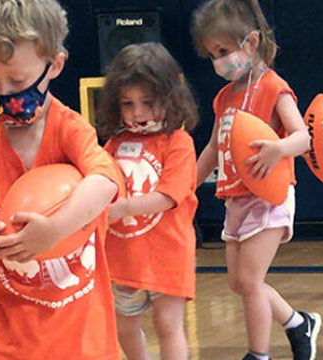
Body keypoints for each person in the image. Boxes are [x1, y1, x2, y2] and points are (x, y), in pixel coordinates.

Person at [0, 0, 124, 359]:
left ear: (55, 65)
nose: (5, 95)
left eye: (18, 81)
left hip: (76, 330)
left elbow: (104, 181)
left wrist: (56, 228)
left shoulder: (71, 129)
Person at [191, 0, 320, 359]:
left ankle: (258, 354)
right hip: (235, 197)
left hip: (269, 197)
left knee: (248, 281)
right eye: (212, 54)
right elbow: (212, 150)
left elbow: (303, 138)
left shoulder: (273, 86)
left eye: (223, 50)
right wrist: (184, 188)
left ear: (250, 42)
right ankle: (298, 324)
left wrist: (278, 150)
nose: (218, 60)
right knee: (240, 283)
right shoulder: (223, 98)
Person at [98, 42, 199, 360]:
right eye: (127, 104)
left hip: (167, 255)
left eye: (147, 102)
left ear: (170, 99)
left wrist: (125, 207)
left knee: (168, 325)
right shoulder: (114, 143)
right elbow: (96, 182)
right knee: (124, 327)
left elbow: (169, 196)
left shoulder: (179, 142)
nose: (137, 112)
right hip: (123, 257)